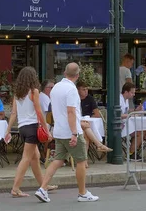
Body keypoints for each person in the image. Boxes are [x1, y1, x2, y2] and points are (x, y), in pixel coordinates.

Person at [35, 63, 99, 203]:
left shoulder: (56, 87)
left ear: (64, 73)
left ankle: (43, 188)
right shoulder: (71, 90)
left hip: (59, 130)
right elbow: (71, 112)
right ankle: (82, 193)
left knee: (57, 160)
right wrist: (75, 133)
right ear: (77, 75)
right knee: (81, 161)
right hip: (70, 131)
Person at [4, 66, 56, 198]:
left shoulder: (18, 93)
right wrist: (46, 129)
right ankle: (15, 188)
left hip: (22, 128)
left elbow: (14, 113)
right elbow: (39, 112)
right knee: (26, 158)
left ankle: (43, 185)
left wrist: (8, 130)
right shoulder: (34, 92)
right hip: (33, 127)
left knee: (35, 157)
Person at [76, 80, 112, 160]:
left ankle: (84, 159)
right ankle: (98, 146)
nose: (86, 92)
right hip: (76, 126)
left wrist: (88, 117)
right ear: (78, 90)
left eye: (87, 89)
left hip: (85, 124)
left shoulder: (90, 99)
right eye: (83, 90)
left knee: (86, 135)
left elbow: (97, 114)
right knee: (86, 132)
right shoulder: (74, 99)